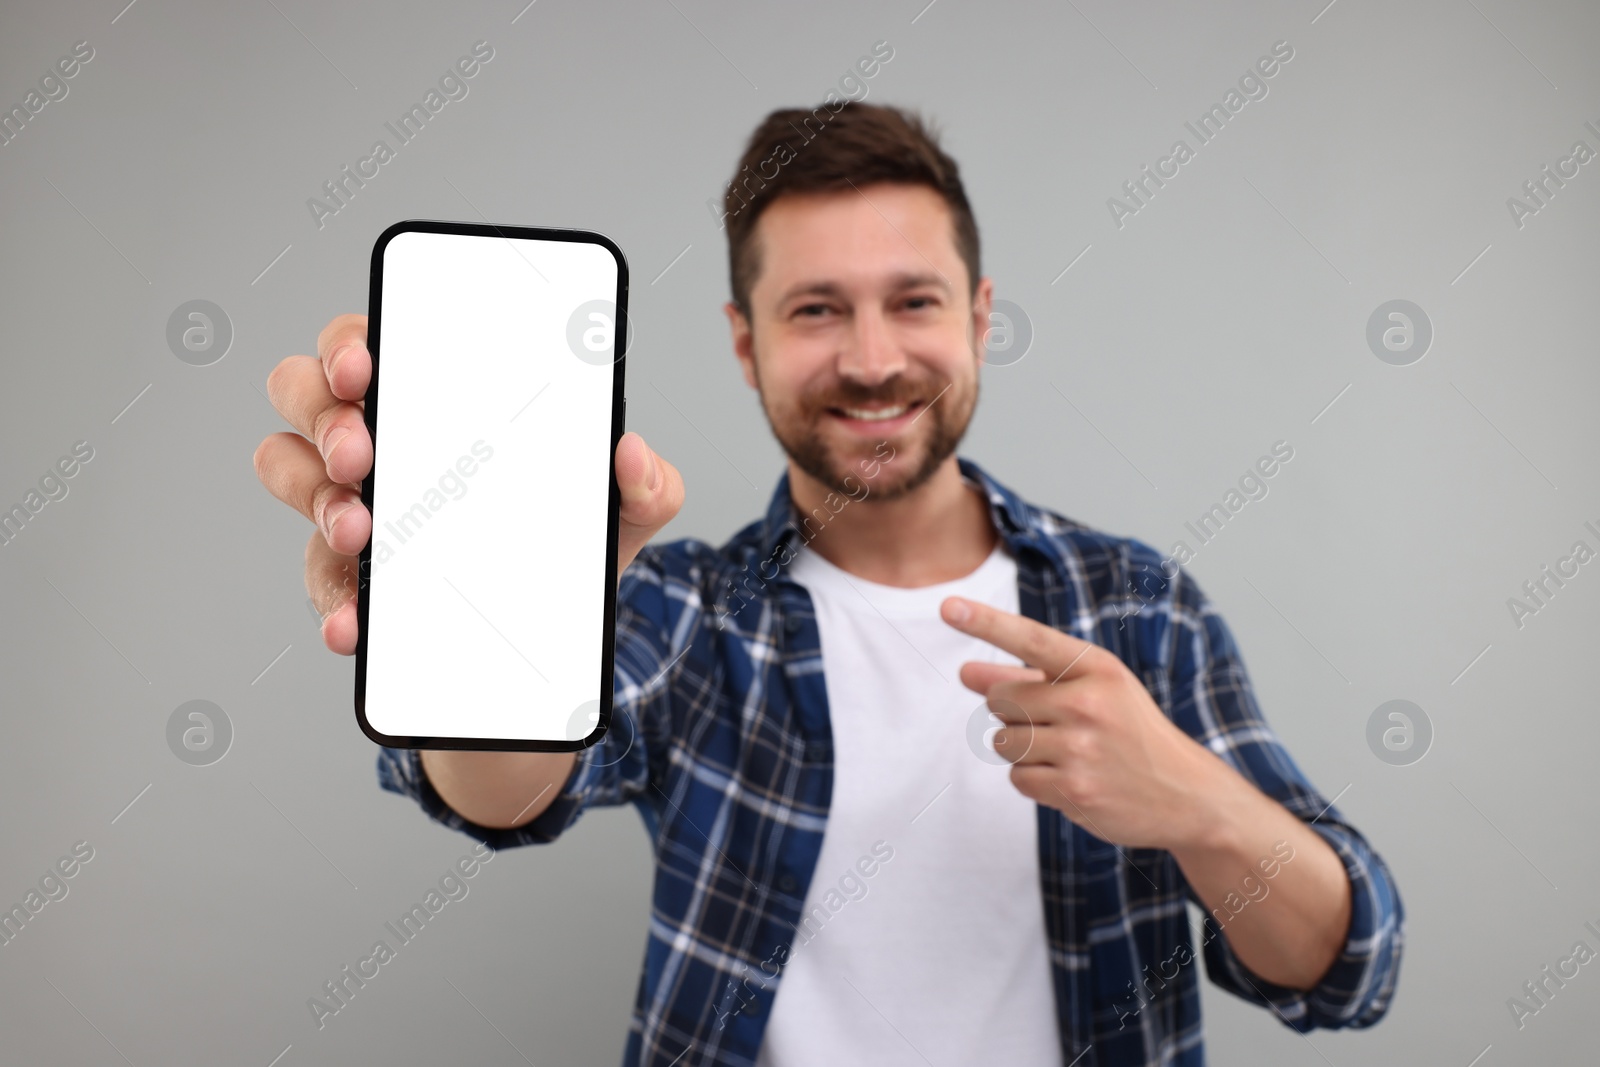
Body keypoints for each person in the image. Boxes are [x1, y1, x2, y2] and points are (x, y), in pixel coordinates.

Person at [255, 101, 1403, 1067]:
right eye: (815, 309)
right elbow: (495, 793)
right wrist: (490, 611)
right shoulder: (689, 614)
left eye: (912, 300)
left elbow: (1343, 964)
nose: (869, 357)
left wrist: (1194, 795)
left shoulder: (1136, 607)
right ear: (746, 343)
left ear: (979, 317)